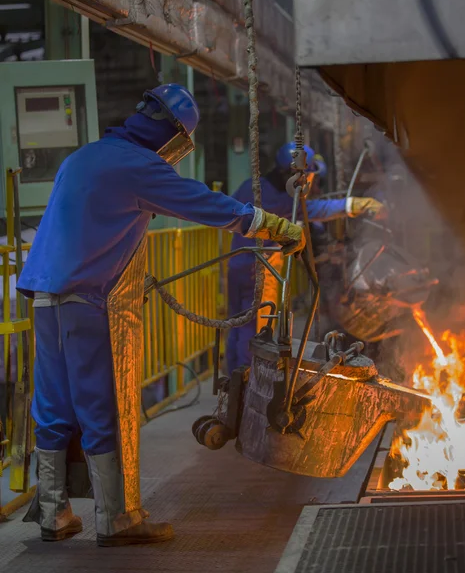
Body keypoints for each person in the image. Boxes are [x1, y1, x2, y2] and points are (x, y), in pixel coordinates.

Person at [17, 84, 304, 547]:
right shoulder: (138, 165)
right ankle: (117, 519)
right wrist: (271, 224)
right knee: (103, 405)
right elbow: (204, 204)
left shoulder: (85, 156)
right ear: (172, 135)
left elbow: (90, 225)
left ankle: (53, 513)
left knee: (53, 405)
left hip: (45, 296)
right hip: (89, 300)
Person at [226, 142, 384, 375]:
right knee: (255, 329)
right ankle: (246, 378)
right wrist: (353, 205)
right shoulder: (278, 200)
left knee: (237, 324)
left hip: (236, 264)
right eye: (308, 177)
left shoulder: (251, 186)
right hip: (260, 268)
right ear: (296, 177)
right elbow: (313, 209)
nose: (309, 183)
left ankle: (232, 379)